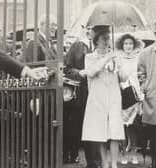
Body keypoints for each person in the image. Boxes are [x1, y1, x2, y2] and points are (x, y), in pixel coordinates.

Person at [81, 25, 125, 168]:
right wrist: (106, 58)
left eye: (107, 38)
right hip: (97, 97)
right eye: (103, 38)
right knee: (99, 131)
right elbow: (91, 72)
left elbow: (124, 78)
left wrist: (119, 65)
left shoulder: (114, 55)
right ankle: (105, 162)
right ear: (96, 40)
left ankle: (113, 164)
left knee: (115, 131)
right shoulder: (90, 57)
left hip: (113, 96)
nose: (106, 41)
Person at [64, 27, 98, 166]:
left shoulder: (101, 48)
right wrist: (80, 72)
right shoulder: (77, 46)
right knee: (77, 124)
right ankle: (73, 153)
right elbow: (67, 68)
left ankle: (94, 159)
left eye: (95, 29)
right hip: (80, 92)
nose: (92, 32)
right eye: (90, 29)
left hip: (96, 92)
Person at [115, 33, 144, 164]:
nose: (128, 46)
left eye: (130, 44)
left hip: (135, 93)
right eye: (126, 44)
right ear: (122, 45)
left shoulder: (138, 57)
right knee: (123, 125)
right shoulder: (118, 58)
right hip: (122, 93)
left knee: (134, 125)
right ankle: (124, 154)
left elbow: (142, 74)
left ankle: (133, 153)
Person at [138, 21, 156, 168]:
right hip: (153, 99)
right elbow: (140, 74)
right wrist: (145, 86)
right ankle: (155, 161)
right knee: (154, 133)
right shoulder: (145, 53)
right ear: (155, 34)